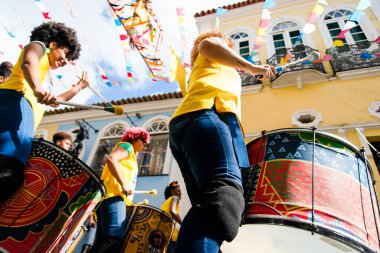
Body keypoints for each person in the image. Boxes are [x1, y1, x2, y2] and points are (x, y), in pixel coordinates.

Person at [168, 30, 276, 253]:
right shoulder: (210, 48)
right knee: (223, 198)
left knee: (209, 206)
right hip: (206, 116)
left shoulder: (206, 69)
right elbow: (208, 43)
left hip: (190, 124)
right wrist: (253, 67)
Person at [0, 22, 89, 202]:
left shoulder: (45, 75)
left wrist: (78, 88)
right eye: (65, 53)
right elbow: (28, 62)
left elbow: (56, 100)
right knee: (7, 170)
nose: (65, 61)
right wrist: (38, 89)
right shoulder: (39, 46)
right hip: (15, 105)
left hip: (20, 113)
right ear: (53, 44)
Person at [90, 127, 150, 253]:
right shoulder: (127, 146)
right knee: (114, 239)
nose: (145, 145)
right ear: (135, 138)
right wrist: (124, 184)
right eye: (143, 141)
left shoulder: (131, 157)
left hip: (107, 198)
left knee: (102, 242)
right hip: (113, 197)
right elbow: (112, 159)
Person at [160, 181, 182, 253]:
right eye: (178, 191)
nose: (180, 193)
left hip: (163, 233)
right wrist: (183, 223)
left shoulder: (167, 202)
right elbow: (173, 211)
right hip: (170, 234)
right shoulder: (175, 197)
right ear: (172, 192)